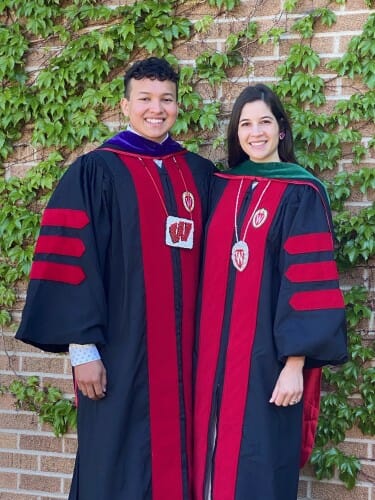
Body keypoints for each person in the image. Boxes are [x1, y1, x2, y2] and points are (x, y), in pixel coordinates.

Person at [16, 57, 215, 500]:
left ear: (178, 106)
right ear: (125, 106)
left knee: (183, 457)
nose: (155, 108)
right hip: (120, 353)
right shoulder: (95, 172)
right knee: (114, 458)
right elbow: (72, 266)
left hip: (187, 359)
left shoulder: (198, 174)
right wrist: (82, 349)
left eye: (165, 99)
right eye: (144, 99)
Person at [193, 84, 347, 500]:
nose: (255, 132)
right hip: (208, 363)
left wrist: (295, 364)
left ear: (281, 129)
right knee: (203, 462)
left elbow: (308, 282)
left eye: (264, 121)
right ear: (235, 132)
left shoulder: (302, 192)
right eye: (245, 123)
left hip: (266, 362)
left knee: (257, 470)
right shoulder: (218, 185)